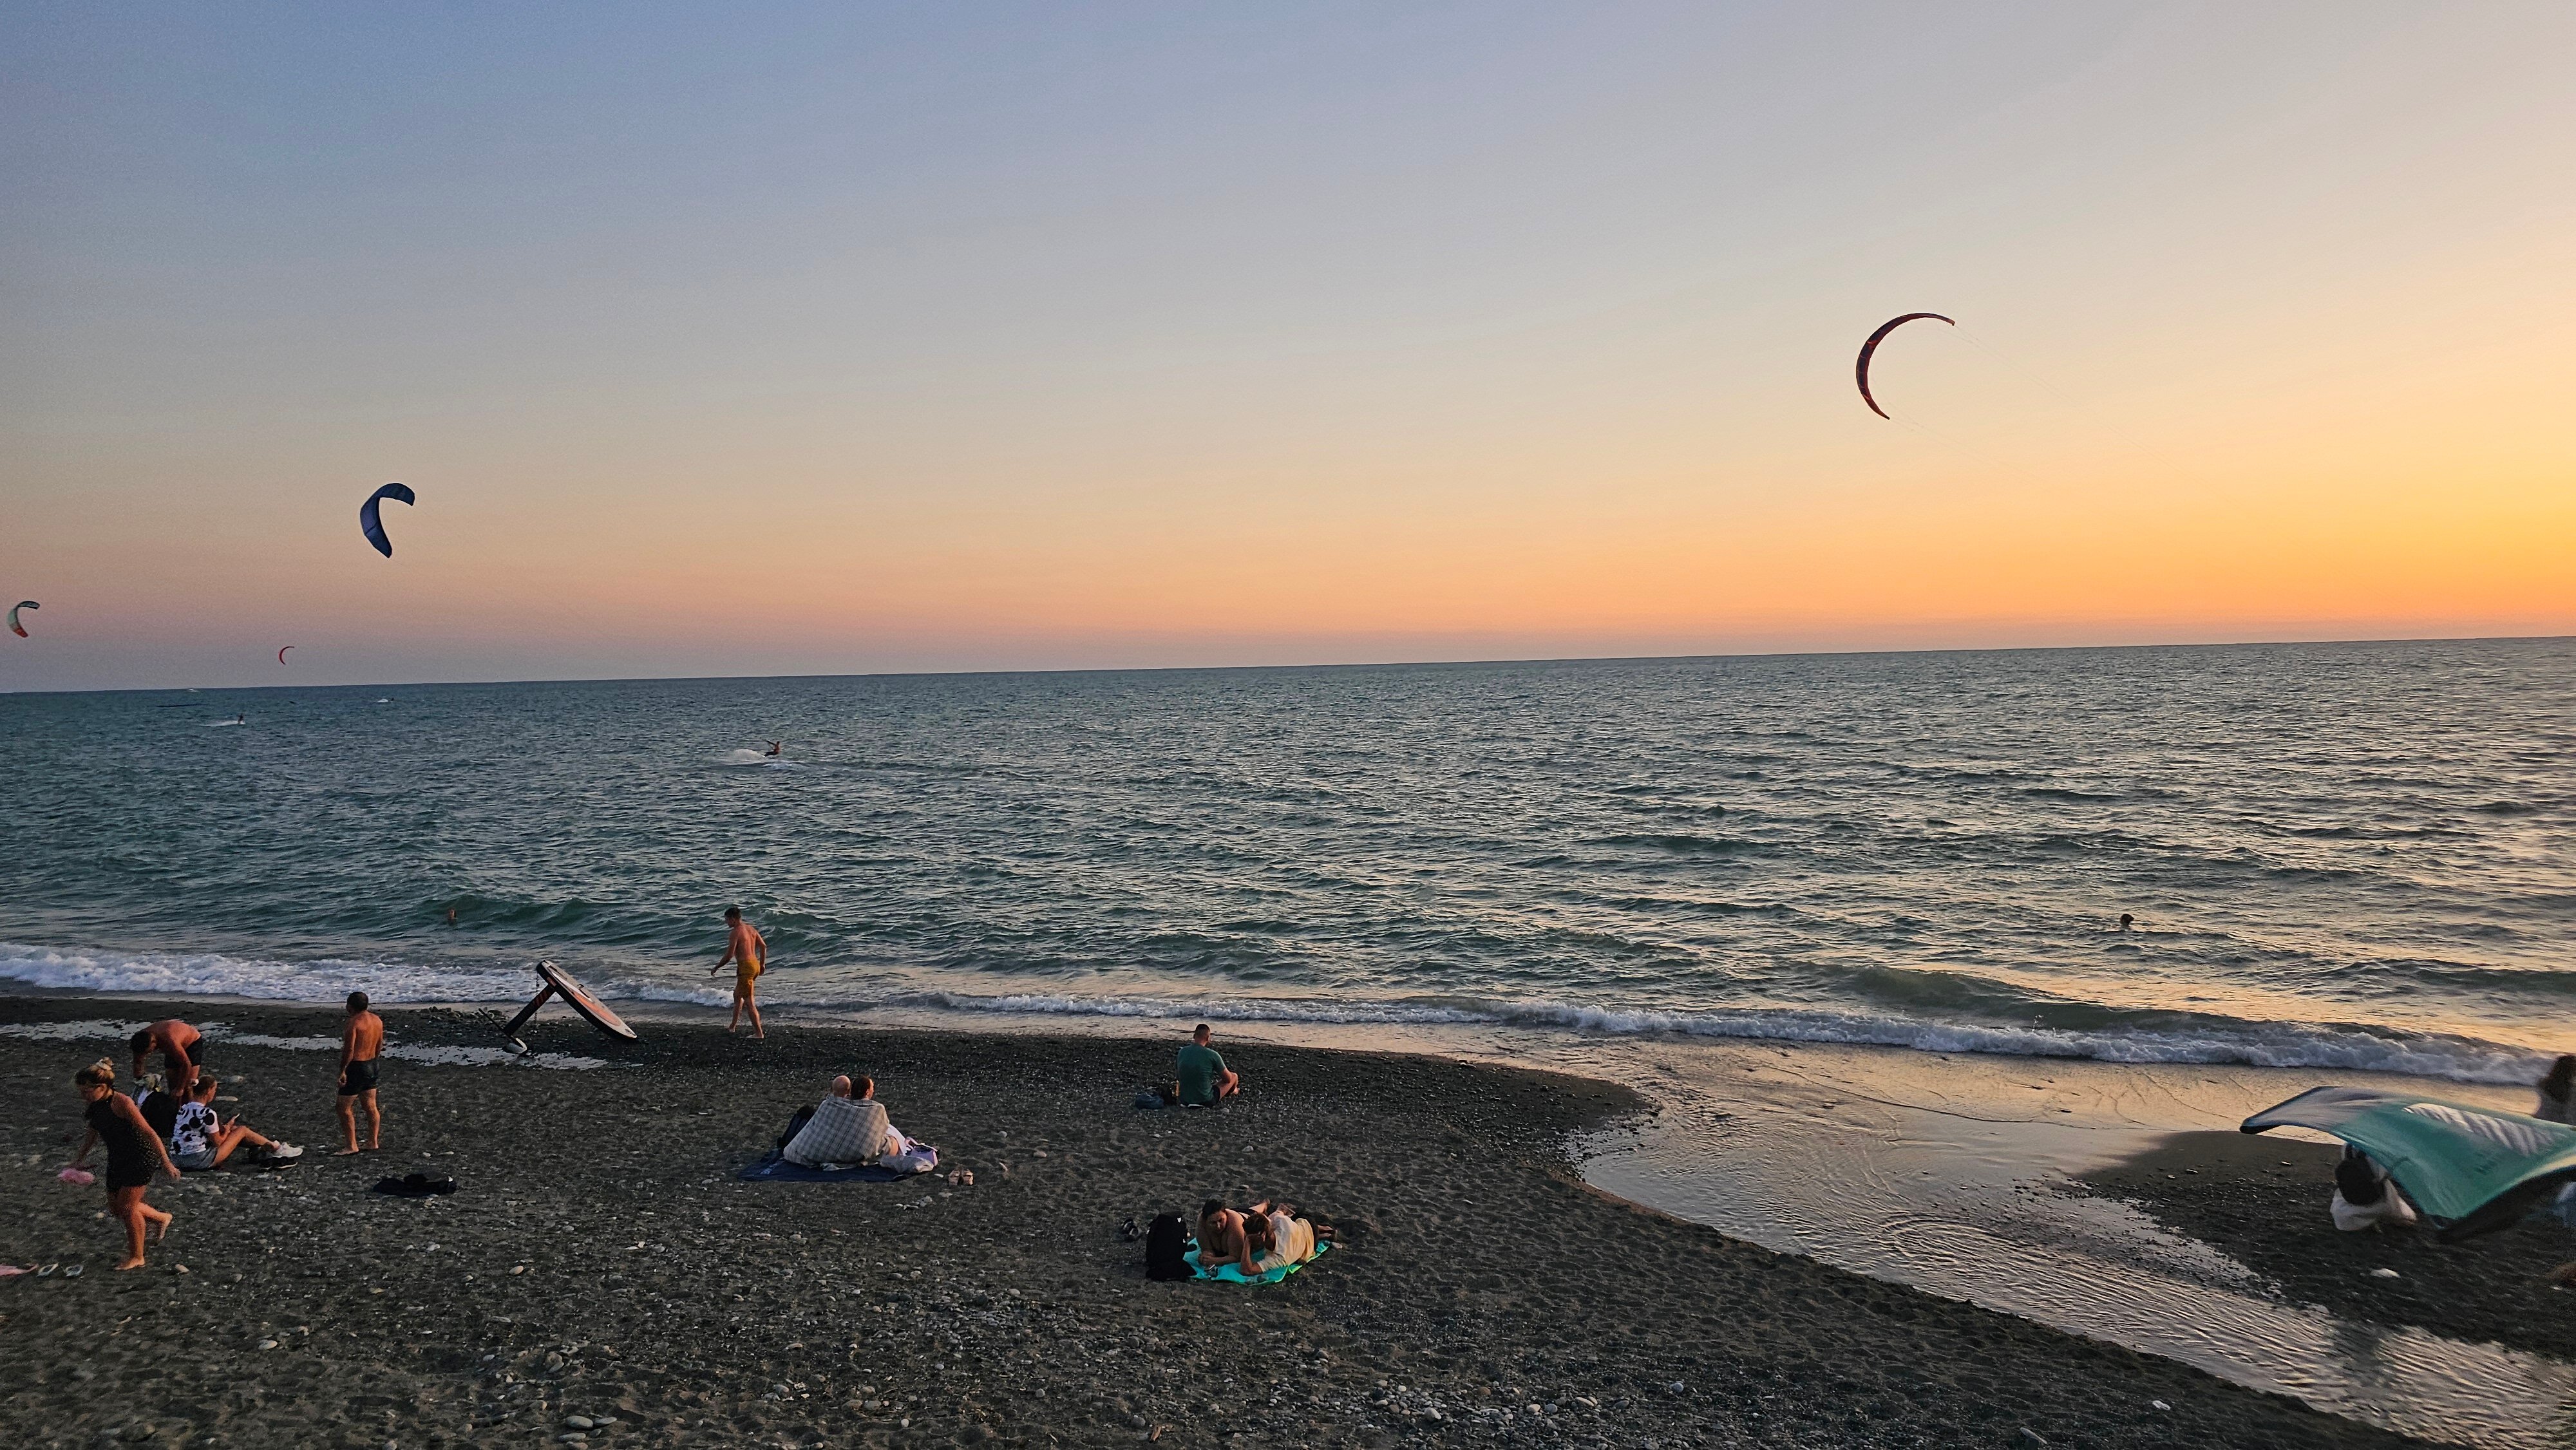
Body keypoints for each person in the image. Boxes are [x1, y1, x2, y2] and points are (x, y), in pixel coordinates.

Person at [68, 1059, 178, 1270]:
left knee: (128, 1208)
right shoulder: (94, 1106)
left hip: (140, 1157)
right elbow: (92, 1133)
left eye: (86, 1091)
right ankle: (162, 1218)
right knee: (117, 1209)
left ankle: (137, 1256)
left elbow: (149, 1133)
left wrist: (166, 1162)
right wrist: (78, 1160)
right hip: (118, 1157)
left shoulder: (123, 1103)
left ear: (101, 1087)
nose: (83, 1097)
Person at [170, 1075, 298, 1169]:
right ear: (209, 1091)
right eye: (214, 1090)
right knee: (241, 1130)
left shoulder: (185, 1108)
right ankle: (276, 1148)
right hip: (197, 1160)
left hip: (177, 1159)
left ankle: (261, 1148)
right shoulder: (208, 1114)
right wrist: (227, 1130)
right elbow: (219, 1142)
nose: (214, 1094)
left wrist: (227, 1129)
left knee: (234, 1130)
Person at [782, 1075, 904, 1167]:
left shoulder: (830, 1104)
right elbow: (881, 1130)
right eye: (873, 1087)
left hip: (821, 1150)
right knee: (892, 1143)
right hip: (855, 1152)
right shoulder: (877, 1109)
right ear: (867, 1092)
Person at [336, 992, 384, 1155]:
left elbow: (349, 1050)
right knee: (370, 1105)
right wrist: (374, 1062)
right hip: (372, 1064)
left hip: (357, 1067)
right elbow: (379, 1045)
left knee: (343, 1107)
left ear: (350, 1007)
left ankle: (351, 1145)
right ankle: (373, 1141)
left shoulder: (353, 1023)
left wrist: (343, 1070)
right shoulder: (377, 1020)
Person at [712, 906, 768, 1039]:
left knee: (749, 1001)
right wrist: (762, 964)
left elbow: (729, 955)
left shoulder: (736, 932)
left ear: (733, 919)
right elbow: (764, 946)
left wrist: (717, 967)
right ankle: (732, 1026)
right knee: (738, 996)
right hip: (754, 965)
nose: (726, 922)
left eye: (727, 920)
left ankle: (759, 1033)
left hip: (746, 967)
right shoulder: (751, 929)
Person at [2330, 1147, 2418, 1232]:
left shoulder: (2348, 1146)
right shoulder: (2384, 1153)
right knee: (2409, 1217)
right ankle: (2381, 1218)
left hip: (2344, 1206)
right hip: (2373, 1197)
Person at [129, 1020, 204, 1097]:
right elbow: (138, 1061)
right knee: (172, 1083)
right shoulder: (139, 1040)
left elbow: (186, 1064)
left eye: (149, 1051)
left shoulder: (168, 1040)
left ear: (153, 1043)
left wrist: (180, 1089)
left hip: (192, 1042)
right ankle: (174, 1106)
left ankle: (189, 1106)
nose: (150, 1053)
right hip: (173, 1046)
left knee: (188, 1085)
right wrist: (140, 1080)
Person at [1176, 1024, 1238, 1107]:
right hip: (1205, 1100)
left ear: (1194, 1036)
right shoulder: (1212, 1055)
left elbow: (1179, 1077)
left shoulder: (1182, 1052)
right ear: (1208, 1038)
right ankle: (1234, 1091)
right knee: (1234, 1076)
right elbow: (1228, 1079)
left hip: (1184, 1100)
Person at [2535, 1056, 2575, 1125]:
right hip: (2560, 1125)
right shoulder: (2572, 1090)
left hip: (2541, 1119)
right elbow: (2570, 1115)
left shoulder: (2543, 1084)